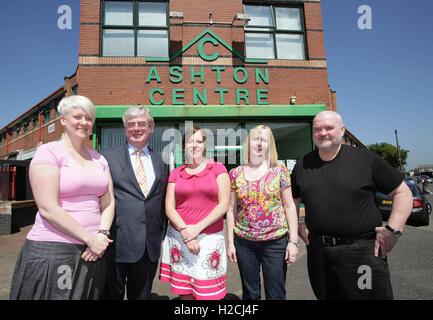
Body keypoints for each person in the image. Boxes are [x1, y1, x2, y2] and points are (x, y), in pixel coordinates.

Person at [291, 110, 413, 300]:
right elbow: (293, 199)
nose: (323, 133)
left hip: (361, 252)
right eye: (317, 129)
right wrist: (297, 223)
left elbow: (403, 193)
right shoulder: (302, 165)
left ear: (342, 130)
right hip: (319, 253)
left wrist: (393, 230)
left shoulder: (366, 159)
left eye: (329, 128)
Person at [9, 95, 115, 300]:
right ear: (63, 120)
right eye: (78, 116)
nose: (84, 122)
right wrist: (90, 239)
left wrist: (101, 235)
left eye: (89, 118)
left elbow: (108, 201)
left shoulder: (99, 159)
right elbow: (48, 208)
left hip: (94, 250)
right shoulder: (47, 153)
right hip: (54, 249)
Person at [100, 106, 169, 300]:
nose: (136, 128)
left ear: (151, 127)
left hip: (149, 246)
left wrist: (160, 232)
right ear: (125, 128)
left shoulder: (161, 161)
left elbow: (162, 200)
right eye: (131, 124)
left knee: (142, 296)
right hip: (115, 243)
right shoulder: (106, 157)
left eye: (141, 124)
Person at [226, 124, 299, 300]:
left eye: (263, 140)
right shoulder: (235, 174)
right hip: (244, 242)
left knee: (276, 293)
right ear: (249, 143)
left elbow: (289, 206)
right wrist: (230, 243)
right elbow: (230, 210)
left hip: (275, 242)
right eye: (256, 139)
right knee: (250, 294)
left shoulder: (279, 170)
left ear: (269, 145)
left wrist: (294, 242)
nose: (259, 144)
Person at [159, 126, 230, 300]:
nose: (194, 145)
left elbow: (223, 205)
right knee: (186, 292)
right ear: (183, 146)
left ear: (205, 145)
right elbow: (169, 207)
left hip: (209, 240)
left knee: (210, 293)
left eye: (199, 141)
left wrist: (195, 230)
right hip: (181, 238)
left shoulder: (218, 169)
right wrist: (187, 233)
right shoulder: (176, 173)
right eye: (190, 141)